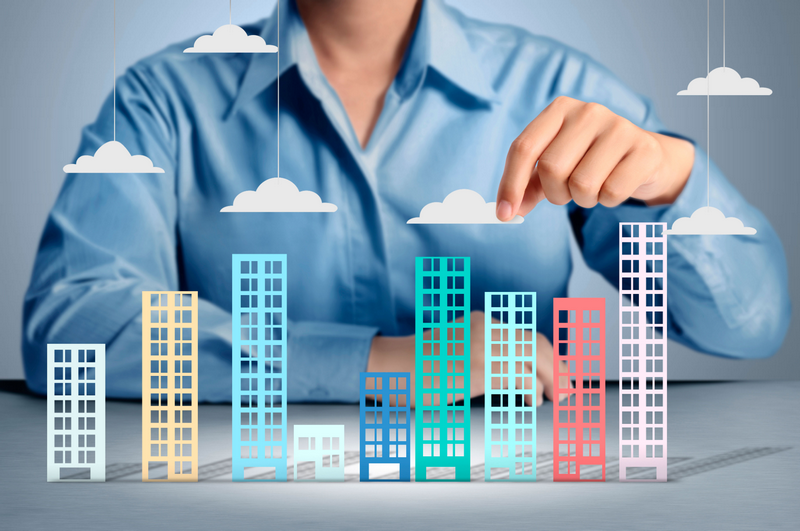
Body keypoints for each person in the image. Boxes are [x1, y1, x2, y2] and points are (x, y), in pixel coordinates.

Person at [22, 0, 790, 404]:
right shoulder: (161, 100)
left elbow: (751, 326)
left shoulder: (556, 86)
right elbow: (72, 330)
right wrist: (382, 363)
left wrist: (672, 175)